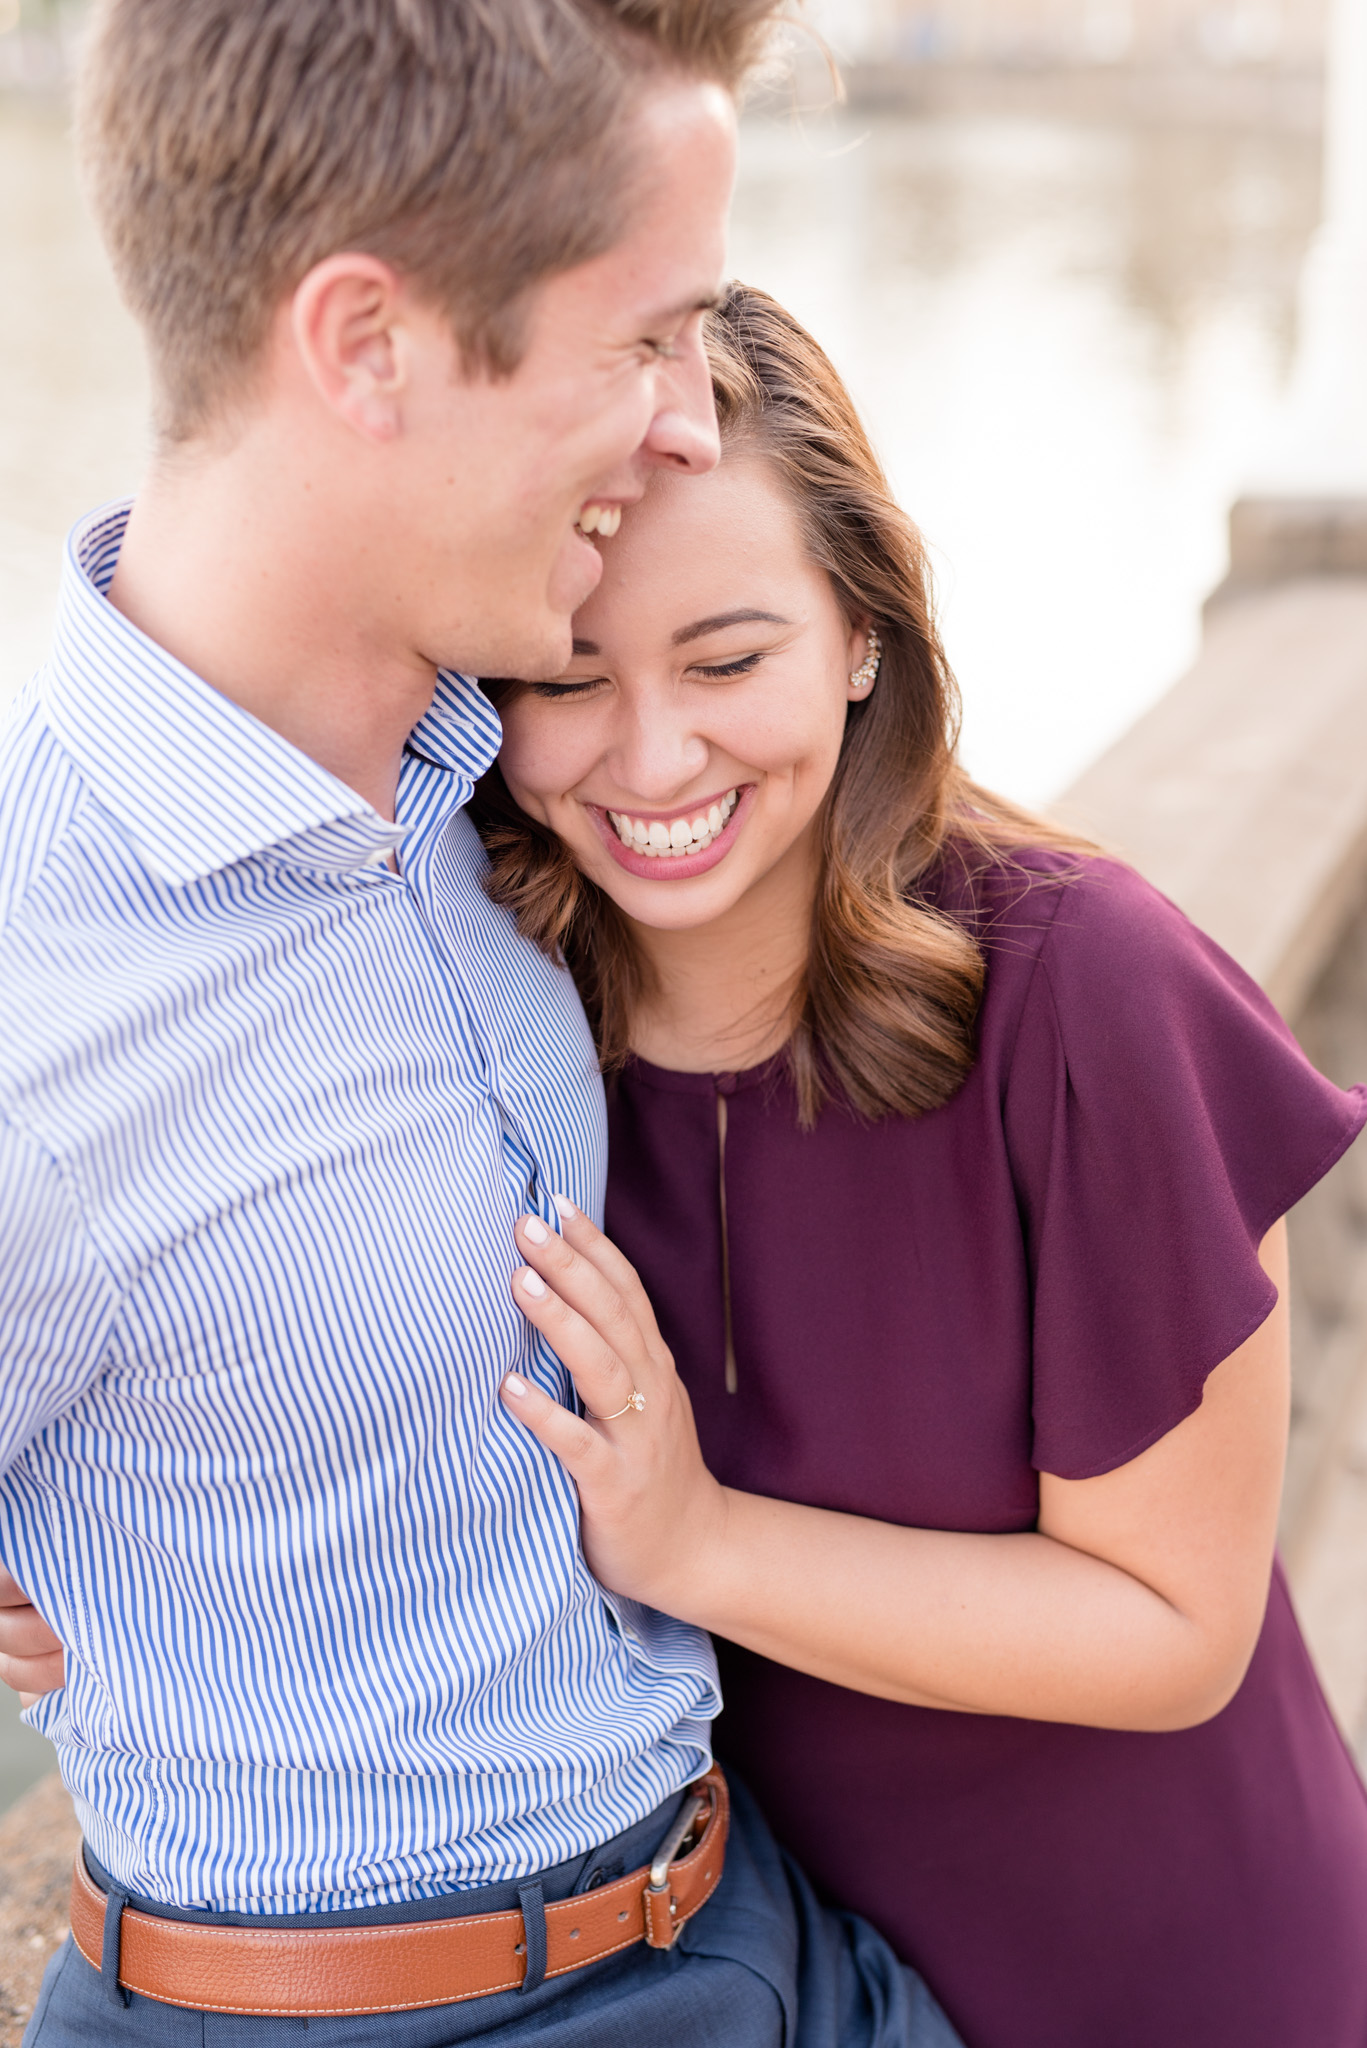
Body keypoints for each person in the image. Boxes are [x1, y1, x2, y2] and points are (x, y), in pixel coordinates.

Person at [0, 6, 964, 2043]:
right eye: (643, 341)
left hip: (751, 1921)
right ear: (366, 348)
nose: (694, 426)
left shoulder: (504, 766)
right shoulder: (36, 1024)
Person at [459, 283, 1367, 2048]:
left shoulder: (1085, 987)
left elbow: (1177, 1628)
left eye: (728, 660)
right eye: (565, 678)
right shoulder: (481, 1028)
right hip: (771, 1991)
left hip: (1177, 1979)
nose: (651, 758)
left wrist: (701, 1541)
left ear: (861, 633)